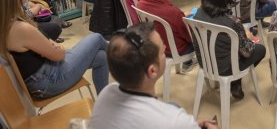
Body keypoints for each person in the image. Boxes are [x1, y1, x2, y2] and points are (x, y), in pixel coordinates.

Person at [0, 0, 109, 98]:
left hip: (40, 77)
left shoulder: (1, 23)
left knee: (102, 57)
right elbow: (58, 55)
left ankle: (105, 101)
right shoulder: (20, 28)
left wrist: (50, 46)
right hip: (48, 81)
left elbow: (44, 45)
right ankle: (125, 60)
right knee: (96, 37)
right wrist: (57, 47)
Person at [89, 23, 218, 129]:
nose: (165, 47)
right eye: (162, 51)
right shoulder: (174, 121)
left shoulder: (106, 93)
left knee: (173, 106)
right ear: (152, 71)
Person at [194, 0, 266, 99]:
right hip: (225, 67)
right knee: (261, 49)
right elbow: (247, 52)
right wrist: (247, 37)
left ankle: (236, 82)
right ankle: (235, 81)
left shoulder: (198, 14)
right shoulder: (232, 22)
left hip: (204, 62)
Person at [137, 0, 196, 72]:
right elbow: (189, 37)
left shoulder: (140, 4)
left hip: (153, 45)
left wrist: (181, 17)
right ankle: (188, 62)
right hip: (175, 50)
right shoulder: (173, 12)